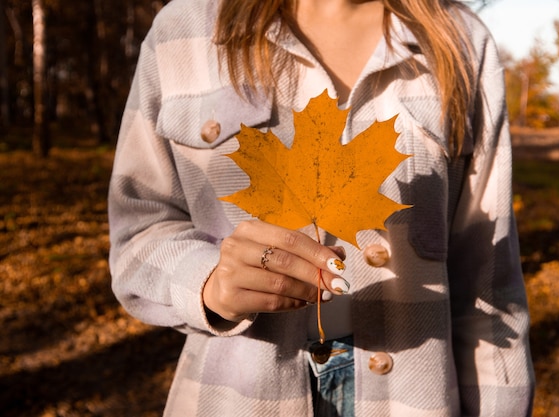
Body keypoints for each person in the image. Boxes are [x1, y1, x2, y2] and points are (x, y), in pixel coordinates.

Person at [108, 0, 535, 415]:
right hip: (241, 397)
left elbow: (490, 284)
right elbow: (140, 230)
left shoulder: (458, 40)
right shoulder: (186, 30)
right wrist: (209, 283)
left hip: (411, 396)